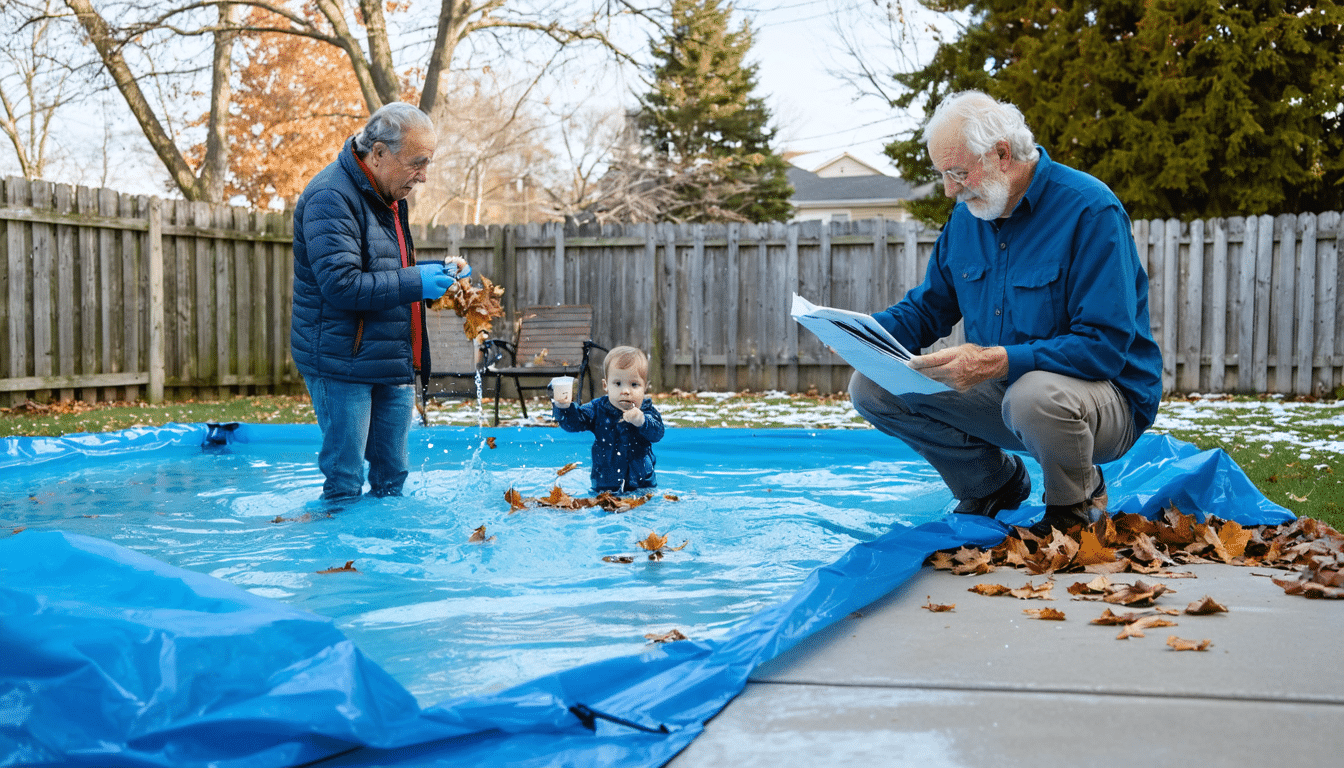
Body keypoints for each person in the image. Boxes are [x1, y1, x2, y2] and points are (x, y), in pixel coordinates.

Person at [848, 91, 1162, 535]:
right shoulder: (967, 219)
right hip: (1006, 391)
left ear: (1001, 154)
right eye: (943, 174)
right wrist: (859, 334)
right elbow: (927, 309)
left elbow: (1104, 348)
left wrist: (999, 361)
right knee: (872, 385)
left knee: (1033, 396)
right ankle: (992, 483)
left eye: (957, 173)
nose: (949, 190)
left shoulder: (1091, 210)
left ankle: (1075, 504)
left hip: (1105, 402)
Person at [291, 102, 470, 503]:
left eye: (428, 163)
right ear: (378, 154)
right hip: (341, 361)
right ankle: (339, 562)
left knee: (392, 475)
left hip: (389, 358)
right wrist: (416, 281)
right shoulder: (329, 197)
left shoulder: (387, 195)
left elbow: (383, 268)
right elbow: (342, 285)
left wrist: (434, 272)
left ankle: (385, 557)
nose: (423, 176)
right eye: (417, 163)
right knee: (345, 479)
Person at [553, 346, 665, 494]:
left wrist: (642, 421)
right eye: (618, 383)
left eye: (634, 384)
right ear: (606, 386)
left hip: (642, 485)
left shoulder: (646, 411)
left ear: (645, 387)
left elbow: (658, 433)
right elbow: (574, 423)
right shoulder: (597, 409)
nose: (626, 391)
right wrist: (564, 408)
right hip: (604, 486)